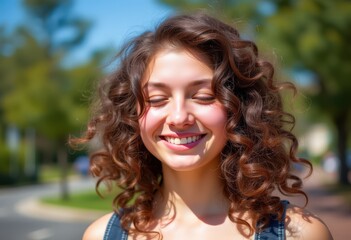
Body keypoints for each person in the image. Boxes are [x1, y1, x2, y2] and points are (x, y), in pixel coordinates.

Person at [72, 12, 333, 240]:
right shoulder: (101, 236)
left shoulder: (299, 234)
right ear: (132, 115)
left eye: (204, 96)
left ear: (240, 107)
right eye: (157, 99)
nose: (178, 117)